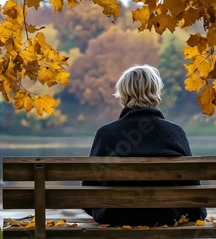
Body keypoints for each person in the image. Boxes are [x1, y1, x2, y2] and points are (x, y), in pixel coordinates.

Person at [82, 64, 207, 226]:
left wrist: (101, 212)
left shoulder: (105, 134)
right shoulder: (175, 132)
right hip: (167, 216)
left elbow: (87, 193)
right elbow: (192, 188)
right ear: (155, 92)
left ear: (123, 94)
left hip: (115, 216)